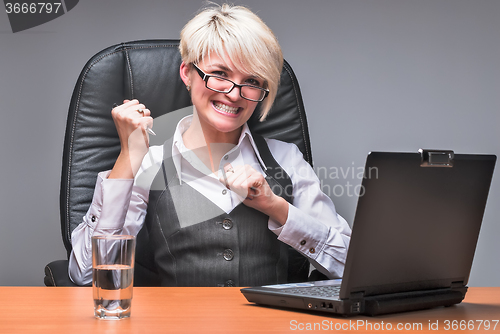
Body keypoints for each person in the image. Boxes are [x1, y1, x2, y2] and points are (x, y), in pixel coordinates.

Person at [69, 3, 351, 287]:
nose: (233, 94)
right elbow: (86, 274)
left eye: (251, 80)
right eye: (220, 74)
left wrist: (276, 207)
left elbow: (351, 268)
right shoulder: (149, 165)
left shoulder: (286, 160)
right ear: (187, 74)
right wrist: (128, 159)